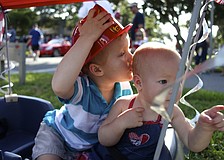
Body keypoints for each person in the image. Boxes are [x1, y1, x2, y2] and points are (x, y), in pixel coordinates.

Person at [32, 4, 133, 160]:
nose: (131, 57)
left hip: (91, 146)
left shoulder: (125, 91)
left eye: (129, 50)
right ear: (97, 70)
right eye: (122, 54)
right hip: (58, 135)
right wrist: (87, 38)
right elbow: (59, 87)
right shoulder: (82, 88)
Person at [98, 42, 224, 160]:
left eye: (178, 82)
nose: (173, 90)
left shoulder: (172, 111)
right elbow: (104, 138)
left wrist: (204, 128)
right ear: (139, 83)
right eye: (163, 81)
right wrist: (121, 122)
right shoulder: (123, 105)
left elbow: (192, 143)